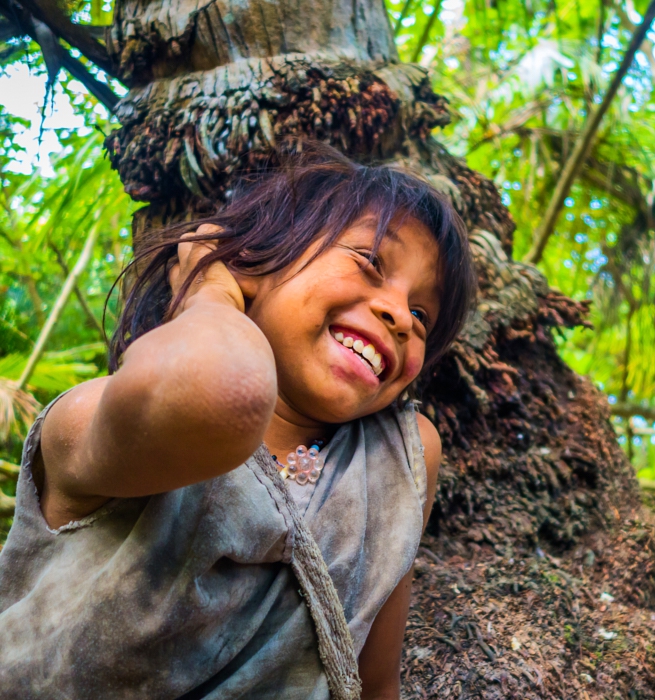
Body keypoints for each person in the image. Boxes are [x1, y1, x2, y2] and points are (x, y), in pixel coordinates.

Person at [0, 145, 477, 699]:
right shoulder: (91, 419)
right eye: (370, 262)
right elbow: (219, 393)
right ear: (255, 261)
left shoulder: (400, 459)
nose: (400, 315)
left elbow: (373, 684)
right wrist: (209, 290)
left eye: (423, 315)